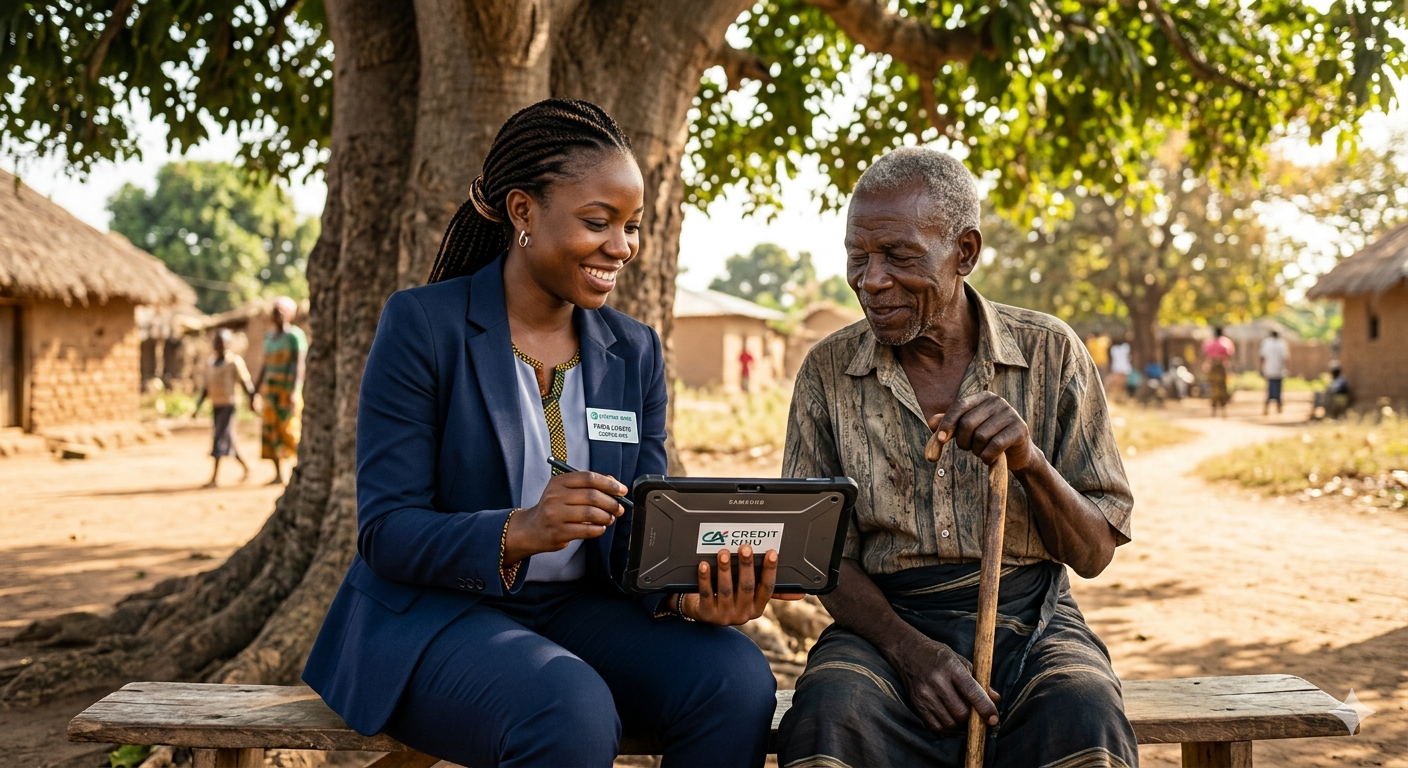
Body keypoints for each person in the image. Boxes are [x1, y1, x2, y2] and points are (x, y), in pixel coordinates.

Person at [303, 99, 781, 768]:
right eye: (598, 222)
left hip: (581, 611)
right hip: (438, 615)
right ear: (523, 211)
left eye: (632, 226)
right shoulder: (424, 326)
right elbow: (387, 530)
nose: (621, 247)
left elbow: (635, 529)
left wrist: (686, 590)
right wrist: (517, 530)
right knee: (566, 707)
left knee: (735, 681)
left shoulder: (633, 350)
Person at [776, 148, 1137, 767]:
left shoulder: (1051, 353)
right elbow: (821, 561)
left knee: (1083, 709)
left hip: (1032, 620)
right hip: (882, 623)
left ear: (964, 253)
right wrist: (910, 652)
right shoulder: (828, 372)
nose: (871, 280)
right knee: (831, 711)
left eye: (899, 256)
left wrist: (1029, 462)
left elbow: (1094, 554)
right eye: (856, 258)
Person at [192, 329, 255, 487]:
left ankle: (214, 478)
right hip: (216, 405)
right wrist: (197, 408)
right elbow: (206, 388)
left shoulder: (234, 362)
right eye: (216, 342)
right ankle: (247, 468)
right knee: (228, 439)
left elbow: (245, 382)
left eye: (222, 342)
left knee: (219, 438)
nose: (219, 345)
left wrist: (252, 399)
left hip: (229, 405)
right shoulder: (210, 363)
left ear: (227, 344)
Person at [255, 297, 307, 484]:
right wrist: (255, 392)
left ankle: (297, 471)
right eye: (274, 310)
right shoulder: (268, 337)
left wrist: (295, 390)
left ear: (289, 315)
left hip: (287, 392)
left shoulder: (295, 336)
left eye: (281, 311)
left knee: (290, 430)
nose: (277, 314)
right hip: (270, 391)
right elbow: (264, 365)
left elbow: (299, 365)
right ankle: (278, 474)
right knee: (271, 432)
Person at [1203, 326, 1235, 417]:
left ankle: (1213, 411)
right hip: (1221, 367)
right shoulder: (1226, 342)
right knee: (1223, 388)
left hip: (1212, 368)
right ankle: (1223, 410)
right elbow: (1228, 356)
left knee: (1213, 388)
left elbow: (1207, 356)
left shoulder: (1209, 343)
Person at [1260, 329, 1290, 415]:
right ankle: (1279, 406)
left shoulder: (1266, 342)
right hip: (1279, 370)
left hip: (1268, 369)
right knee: (1278, 389)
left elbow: (1262, 356)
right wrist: (1286, 368)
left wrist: (1261, 368)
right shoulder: (1282, 343)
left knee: (1269, 389)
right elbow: (1285, 358)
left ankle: (1267, 407)